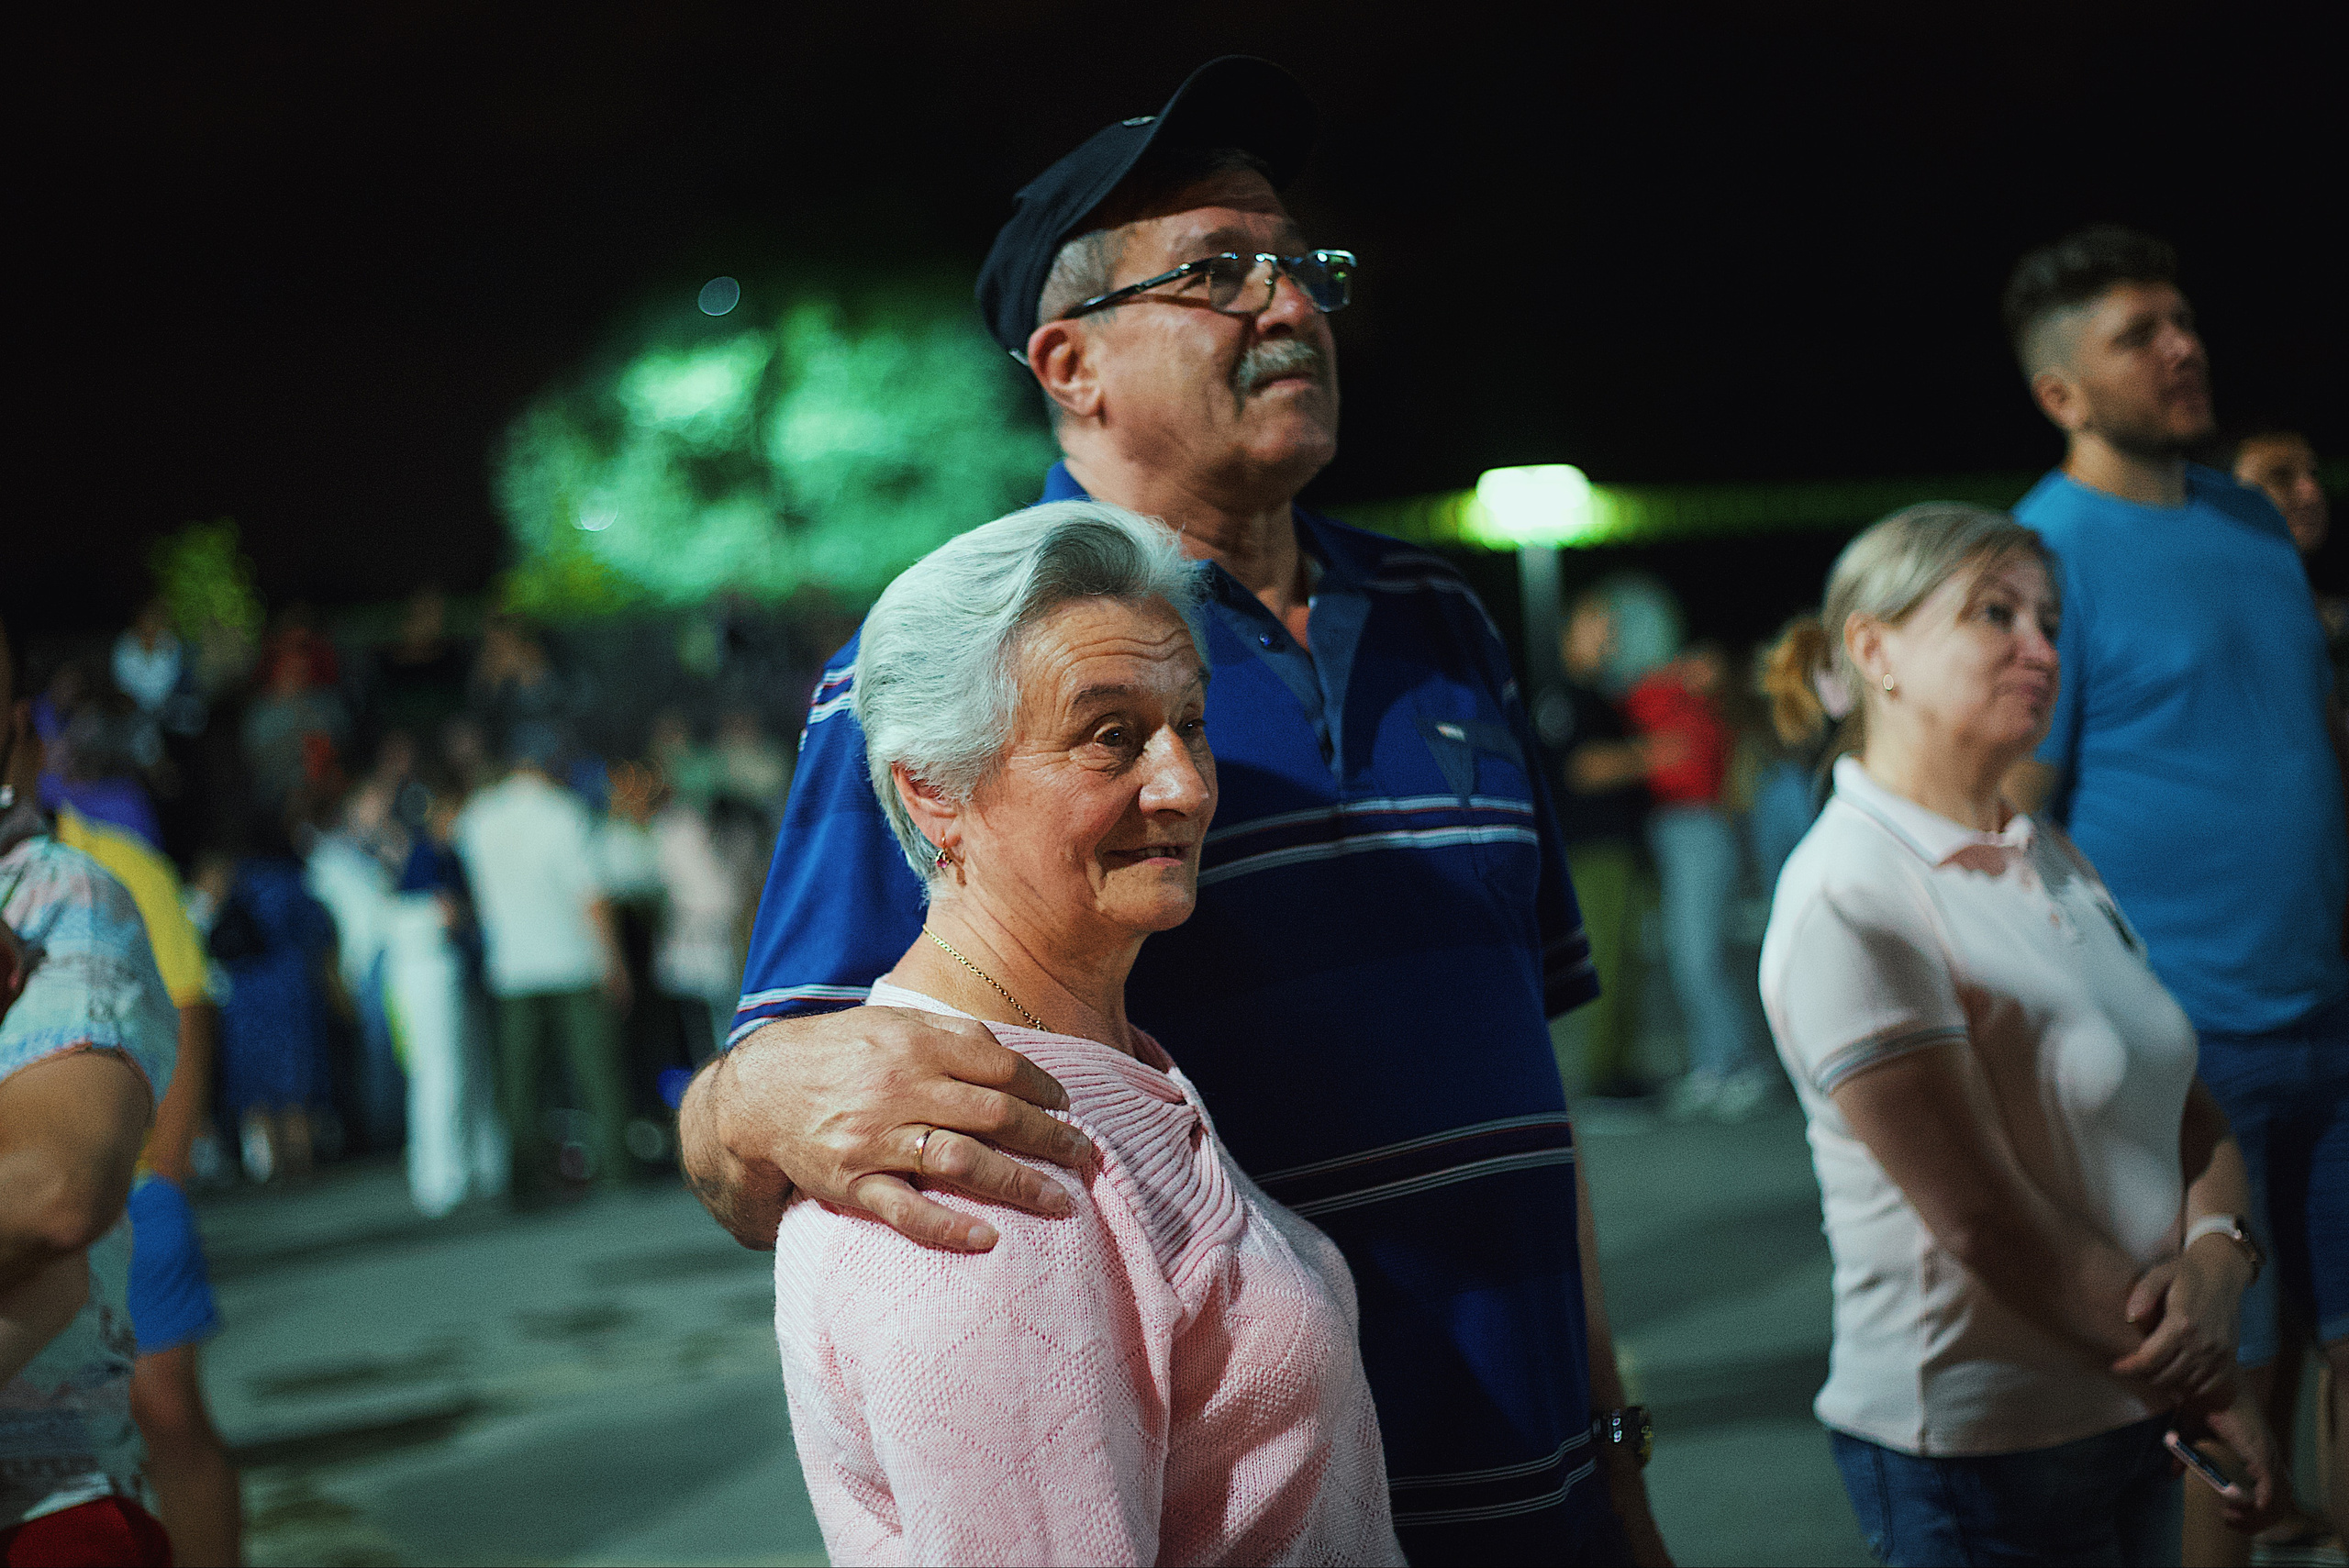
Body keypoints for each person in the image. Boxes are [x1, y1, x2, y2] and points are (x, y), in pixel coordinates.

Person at [683, 57, 1668, 1564]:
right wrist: (734, 1101)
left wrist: (1610, 1449)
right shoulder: (947, 675)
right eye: (1222, 272)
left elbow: (1530, 1097)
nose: (1291, 309)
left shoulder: (1442, 617)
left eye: (1303, 268)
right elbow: (799, 1104)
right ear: (1070, 365)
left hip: (1544, 1510)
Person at [774, 500, 1400, 1564]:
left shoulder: (1094, 1063)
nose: (1187, 786)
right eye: (1110, 737)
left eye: (1190, 723)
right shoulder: (967, 1162)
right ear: (933, 790)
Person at [1760, 504, 2282, 1564]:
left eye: (2048, 618)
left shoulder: (2045, 853)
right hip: (1978, 1451)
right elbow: (1982, 1216)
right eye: (1992, 614)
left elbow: (2182, 1098)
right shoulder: (1851, 893)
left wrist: (2220, 1261)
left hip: (2130, 1411)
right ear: (1873, 649)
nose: (2040, 648)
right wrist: (2200, 1371)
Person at [2000, 227, 2349, 1565]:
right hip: (2188, 1047)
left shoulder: (2255, 521)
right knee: (2222, 1386)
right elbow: (2022, 806)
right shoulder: (2043, 548)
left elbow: (2307, 740)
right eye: (2138, 333)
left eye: (2184, 319)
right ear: (2063, 394)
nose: (2182, 346)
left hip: (2327, 1004)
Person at [1, 616, 180, 1563]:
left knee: (178, 1404)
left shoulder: (61, 895)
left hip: (45, 1506)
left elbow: (48, 1192)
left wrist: (177, 1173)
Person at [453, 722, 629, 1197]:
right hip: (572, 960)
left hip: (511, 963)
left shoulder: (477, 818)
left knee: (519, 1082)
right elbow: (590, 896)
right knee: (596, 1073)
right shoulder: (565, 814)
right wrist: (614, 961)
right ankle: (615, 1169)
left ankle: (525, 1179)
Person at [1624, 643, 1770, 1120]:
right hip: (1678, 834)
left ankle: (1744, 1065)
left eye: (1711, 667)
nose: (1701, 671)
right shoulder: (1680, 700)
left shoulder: (1702, 713)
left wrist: (1671, 676)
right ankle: (1714, 1066)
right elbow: (1635, 701)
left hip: (1698, 833)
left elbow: (1642, 703)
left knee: (1698, 958)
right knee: (1689, 958)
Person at [1545, 589, 1659, 1099]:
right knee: (1607, 960)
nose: (1609, 638)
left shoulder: (1600, 696)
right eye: (1598, 627)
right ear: (1571, 634)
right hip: (1594, 850)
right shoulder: (1564, 697)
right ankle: (1604, 1075)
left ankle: (1618, 1066)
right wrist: (1650, 755)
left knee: (1625, 960)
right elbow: (1583, 769)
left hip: (1616, 846)